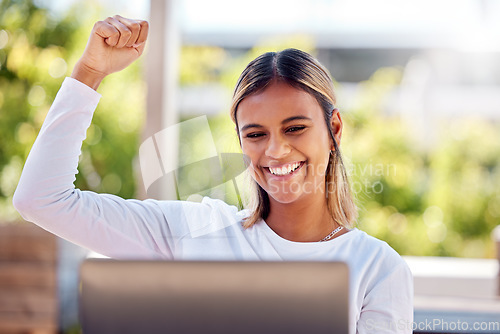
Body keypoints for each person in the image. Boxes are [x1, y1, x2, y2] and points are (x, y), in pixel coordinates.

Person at [13, 15, 413, 333]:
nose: (275, 150)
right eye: (255, 134)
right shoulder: (196, 231)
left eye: (295, 128)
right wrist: (89, 72)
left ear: (335, 130)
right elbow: (41, 200)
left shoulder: (379, 269)